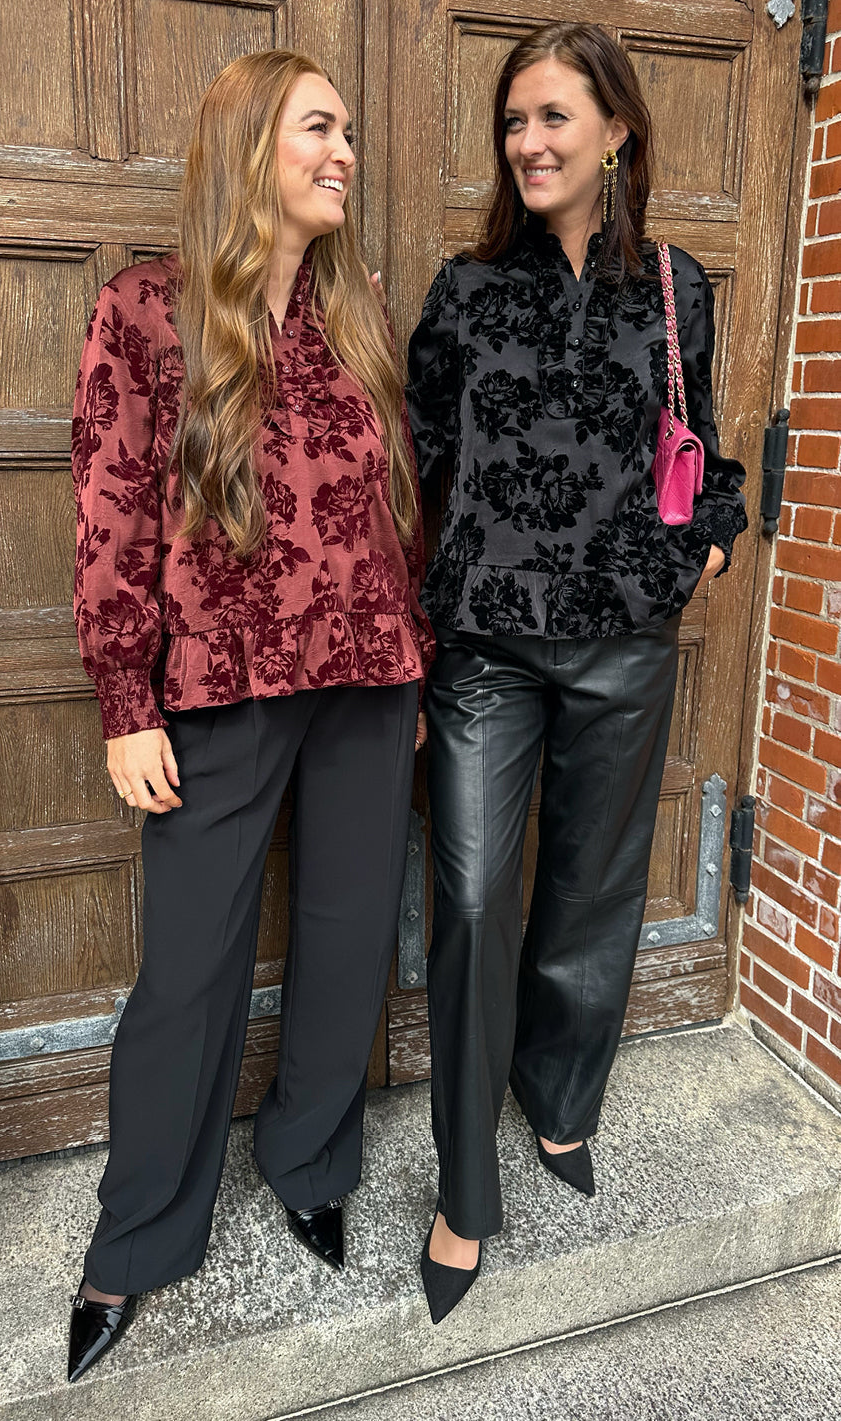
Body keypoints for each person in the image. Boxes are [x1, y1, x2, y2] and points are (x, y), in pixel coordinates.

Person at [68, 49, 433, 1380]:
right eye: (320, 128)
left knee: (348, 937)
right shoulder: (147, 309)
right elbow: (111, 508)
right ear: (249, 148)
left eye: (350, 132)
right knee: (188, 971)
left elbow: (396, 502)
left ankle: (311, 1160)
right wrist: (126, 699)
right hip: (215, 687)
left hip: (369, 676)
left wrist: (412, 656)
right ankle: (138, 1234)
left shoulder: (357, 309)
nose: (346, 153)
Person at [406, 21, 746, 1323]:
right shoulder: (464, 290)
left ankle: (559, 1095)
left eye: (554, 116)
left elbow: (700, 446)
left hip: (623, 642)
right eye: (515, 120)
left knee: (593, 895)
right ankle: (464, 1189)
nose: (530, 142)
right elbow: (414, 464)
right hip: (488, 645)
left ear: (617, 133)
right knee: (475, 900)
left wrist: (700, 546)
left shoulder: (675, 286)